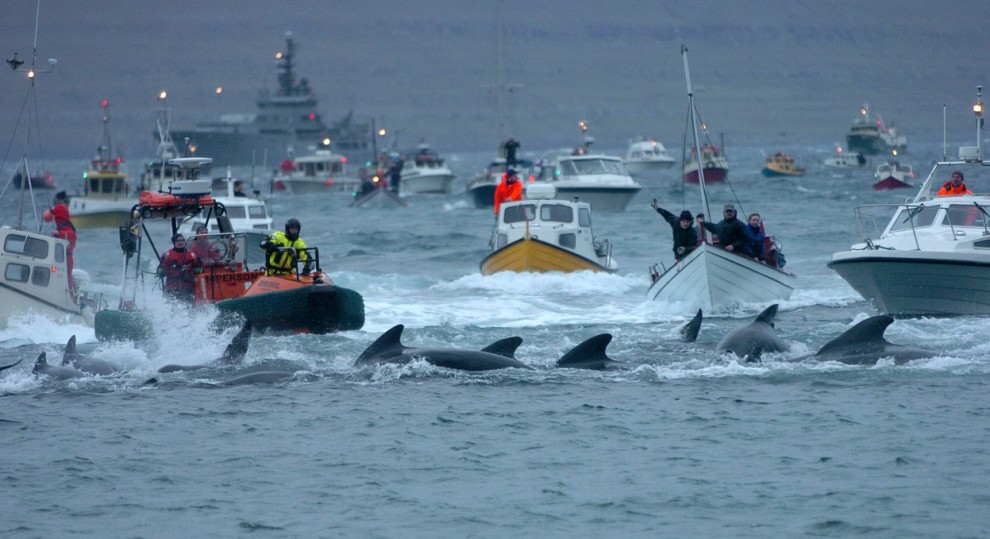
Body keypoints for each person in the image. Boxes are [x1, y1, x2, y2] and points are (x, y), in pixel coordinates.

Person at [43, 191, 77, 295]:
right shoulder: (63, 225)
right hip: (58, 259)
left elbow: (71, 236)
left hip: (67, 259)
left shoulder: (68, 228)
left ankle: (70, 295)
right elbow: (46, 217)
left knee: (68, 279)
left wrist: (59, 234)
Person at [158, 233, 202, 303]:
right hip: (172, 287)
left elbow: (199, 267)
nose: (180, 242)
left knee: (189, 305)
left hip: (188, 286)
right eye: (178, 241)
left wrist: (197, 270)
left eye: (182, 240)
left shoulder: (192, 255)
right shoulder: (167, 255)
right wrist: (161, 271)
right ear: (174, 242)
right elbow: (160, 268)